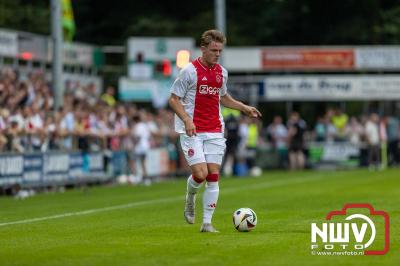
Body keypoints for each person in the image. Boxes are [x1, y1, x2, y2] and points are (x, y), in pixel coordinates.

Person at [168, 29, 261, 233]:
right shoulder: (189, 71)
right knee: (200, 174)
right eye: (213, 50)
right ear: (203, 49)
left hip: (215, 130)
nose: (217, 54)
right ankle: (190, 196)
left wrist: (244, 107)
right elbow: (174, 99)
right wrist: (186, 119)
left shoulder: (222, 72)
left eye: (219, 50)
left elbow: (223, 98)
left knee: (213, 174)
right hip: (192, 130)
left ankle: (207, 223)